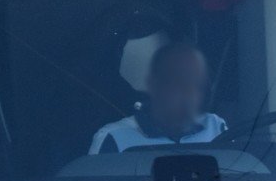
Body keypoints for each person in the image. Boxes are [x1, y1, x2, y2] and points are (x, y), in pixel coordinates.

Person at [89, 40, 229, 155]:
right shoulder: (113, 139)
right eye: (180, 81)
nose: (190, 93)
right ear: (153, 84)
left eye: (197, 83)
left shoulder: (216, 128)